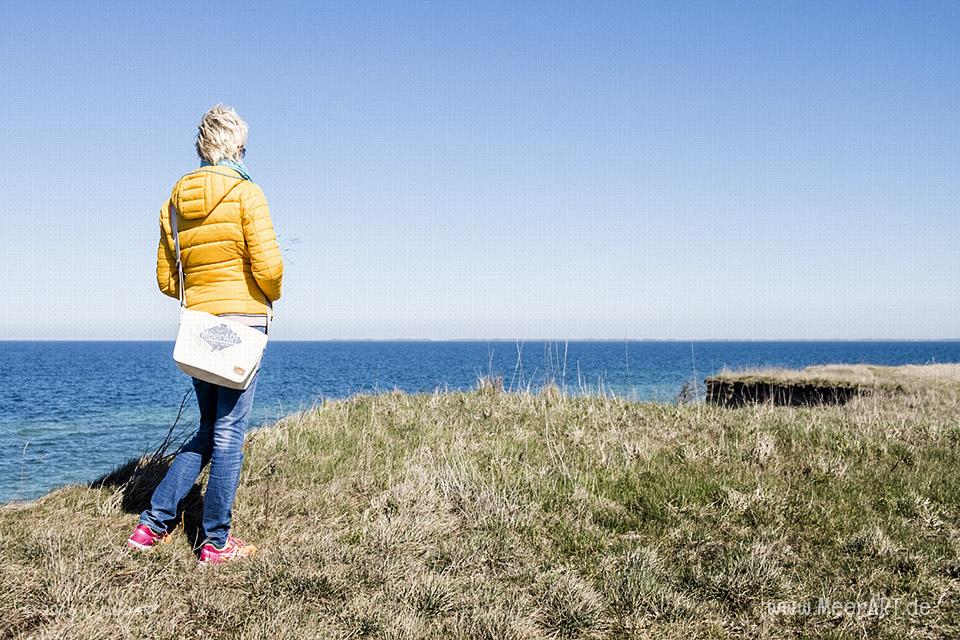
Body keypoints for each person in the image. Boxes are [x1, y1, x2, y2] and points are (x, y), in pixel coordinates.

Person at [125, 104, 283, 565]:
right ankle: (215, 542)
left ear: (202, 146)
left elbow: (166, 279)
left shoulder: (175, 197)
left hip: (199, 325)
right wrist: (265, 293)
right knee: (230, 432)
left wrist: (200, 292)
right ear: (235, 145)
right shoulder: (247, 194)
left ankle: (151, 525)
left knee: (210, 427)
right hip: (243, 322)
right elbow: (270, 270)